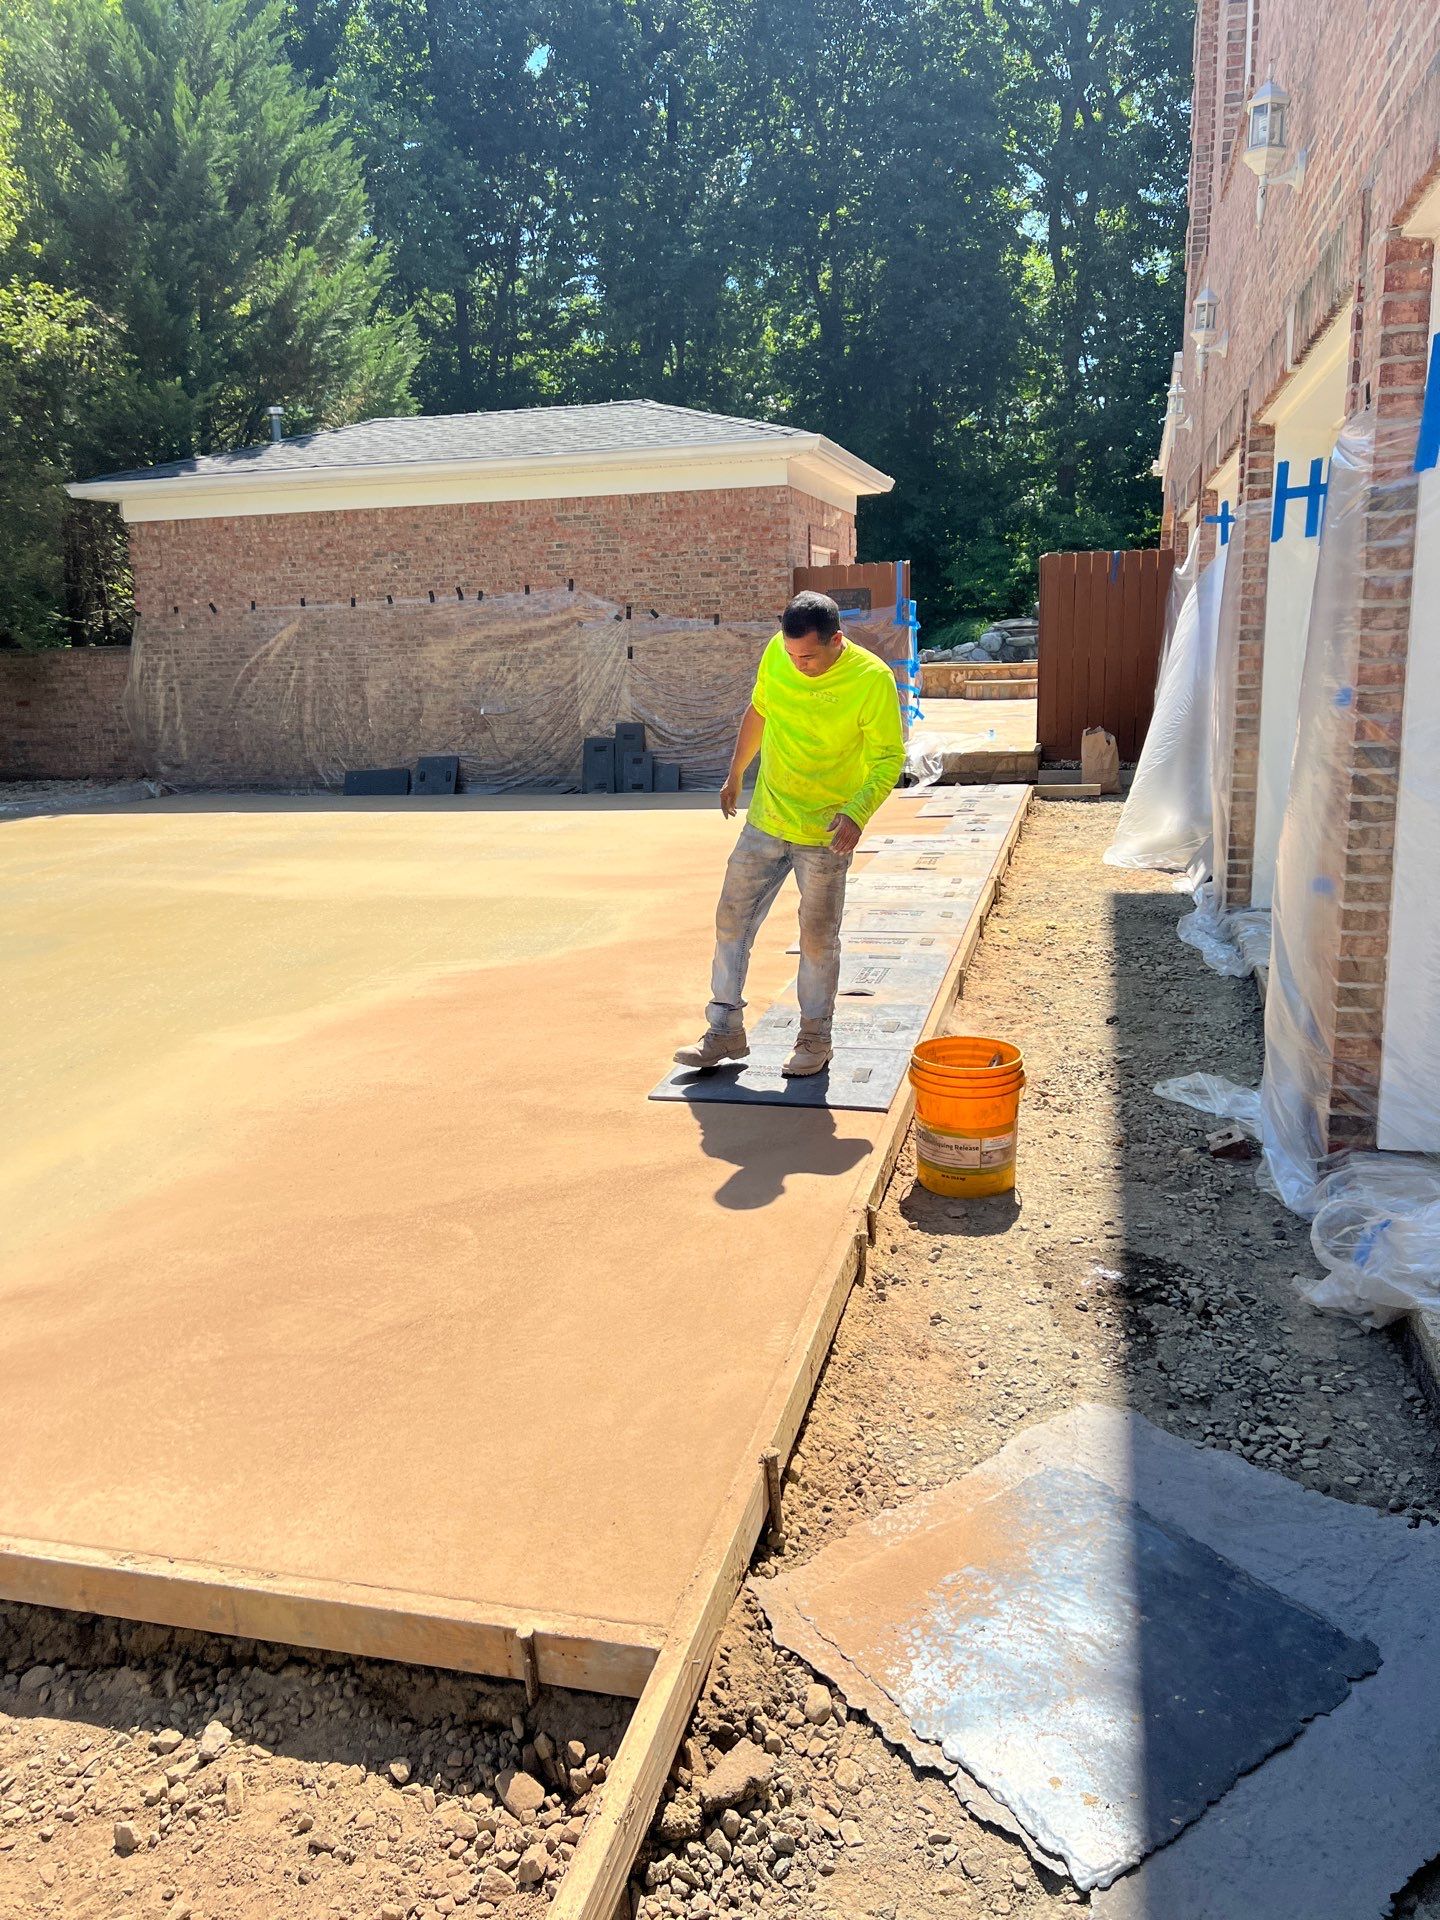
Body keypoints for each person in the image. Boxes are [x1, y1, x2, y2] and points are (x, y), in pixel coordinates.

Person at [675, 590, 906, 1078]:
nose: (798, 664)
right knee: (731, 920)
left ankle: (815, 1038)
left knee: (817, 939)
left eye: (808, 657)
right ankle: (724, 1030)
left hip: (825, 831)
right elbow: (760, 711)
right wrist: (736, 773)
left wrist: (857, 813)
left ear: (836, 640)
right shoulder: (778, 653)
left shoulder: (871, 679)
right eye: (791, 653)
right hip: (768, 818)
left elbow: (888, 757)